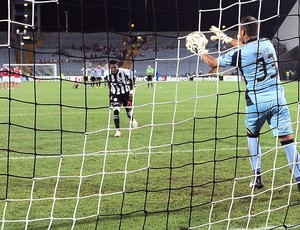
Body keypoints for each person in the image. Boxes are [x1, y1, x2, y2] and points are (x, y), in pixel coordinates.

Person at [190, 15, 300, 191]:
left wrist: (200, 49)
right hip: (278, 99)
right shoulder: (267, 44)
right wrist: (226, 39)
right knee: (288, 141)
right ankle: (299, 179)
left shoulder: (239, 54)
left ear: (242, 31)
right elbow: (249, 47)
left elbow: (213, 64)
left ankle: (257, 177)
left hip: (256, 103)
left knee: (252, 135)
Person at [105, 59, 138, 137]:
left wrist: (131, 91)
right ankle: (118, 131)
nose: (113, 69)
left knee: (128, 112)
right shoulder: (107, 74)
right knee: (116, 111)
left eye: (114, 67)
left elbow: (130, 81)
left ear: (117, 66)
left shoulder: (124, 72)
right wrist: (110, 91)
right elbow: (109, 83)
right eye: (111, 67)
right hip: (115, 95)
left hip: (126, 94)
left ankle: (132, 119)